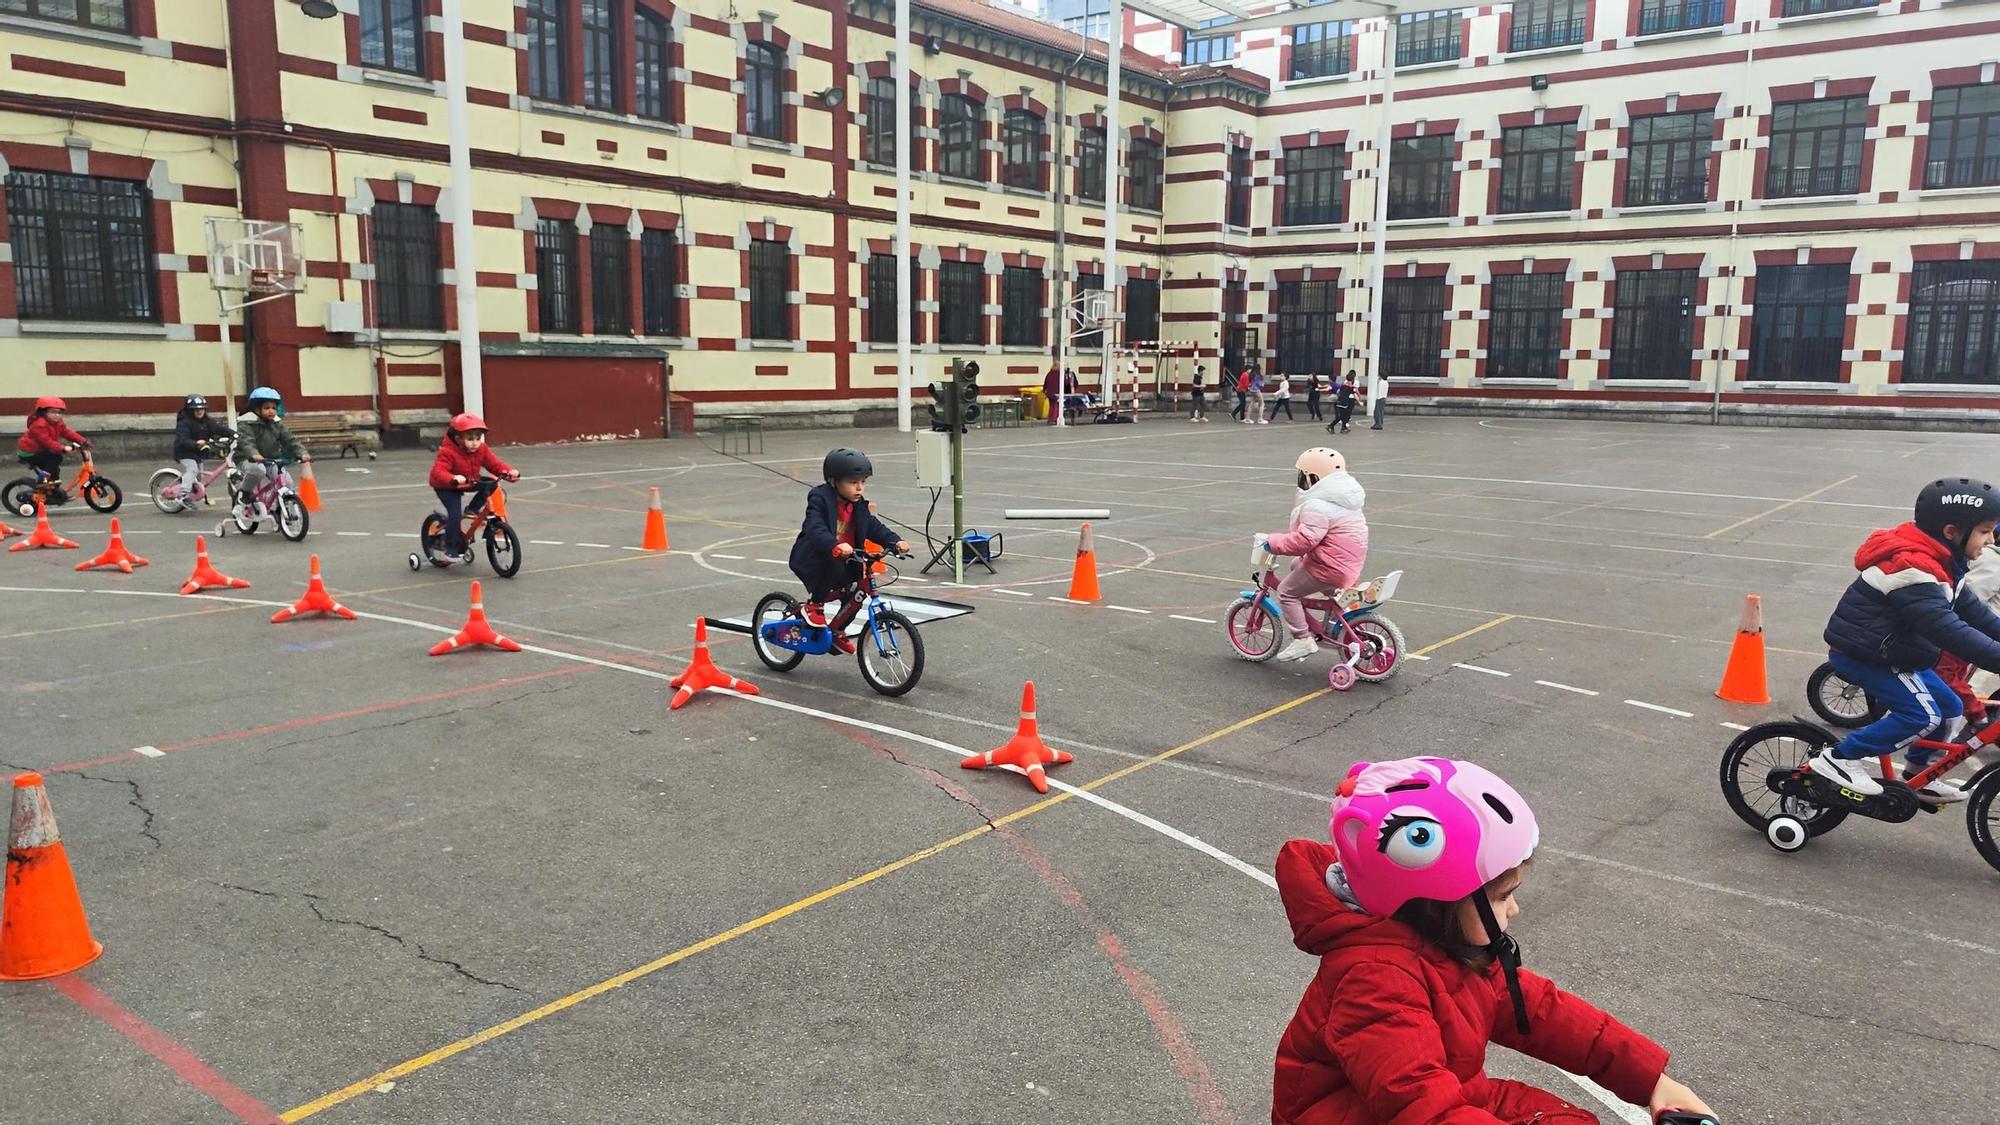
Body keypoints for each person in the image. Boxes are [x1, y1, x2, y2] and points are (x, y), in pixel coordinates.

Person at [1273, 756, 1713, 1125]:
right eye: (1504, 897)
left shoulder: (1446, 947)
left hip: (1442, 1101)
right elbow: (1420, 1107)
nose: (1514, 911)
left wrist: (1652, 1080)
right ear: (1435, 902)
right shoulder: (1375, 982)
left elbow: (1542, 1013)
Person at [1814, 478, 2000, 803]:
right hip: (1867, 654)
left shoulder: (1946, 564)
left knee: (1949, 708)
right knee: (1921, 716)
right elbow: (1946, 628)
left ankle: (1917, 773)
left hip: (1896, 652)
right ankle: (1840, 758)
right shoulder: (1912, 566)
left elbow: (1977, 616)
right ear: (1952, 532)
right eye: (1985, 531)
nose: (1991, 539)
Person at [789, 448, 909, 655]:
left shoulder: (858, 505)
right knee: (835, 564)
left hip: (846, 560)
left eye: (863, 482)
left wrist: (895, 542)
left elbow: (873, 526)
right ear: (834, 481)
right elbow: (814, 527)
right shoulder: (820, 498)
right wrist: (833, 545)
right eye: (853, 482)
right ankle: (814, 605)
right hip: (815, 559)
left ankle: (836, 632)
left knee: (857, 592)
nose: (859, 488)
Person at [1258, 448, 1369, 663]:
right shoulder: (1344, 500)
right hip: (1347, 563)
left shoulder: (1317, 506)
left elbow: (1303, 542)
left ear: (1313, 478)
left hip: (1329, 567)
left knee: (1286, 592)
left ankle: (1303, 639)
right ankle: (1334, 617)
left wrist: (1272, 542)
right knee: (1296, 566)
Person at [427, 413, 520, 563]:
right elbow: (439, 471)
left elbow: (494, 464)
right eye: (470, 439)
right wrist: (452, 478)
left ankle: (472, 509)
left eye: (478, 438)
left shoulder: (481, 450)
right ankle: (450, 549)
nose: (475, 443)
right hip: (447, 486)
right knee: (455, 514)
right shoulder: (447, 452)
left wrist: (508, 471)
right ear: (458, 438)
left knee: (492, 482)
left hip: (469, 481)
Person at [230, 387, 309, 520]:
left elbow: (290, 439)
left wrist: (301, 452)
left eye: (274, 407)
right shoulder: (247, 423)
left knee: (287, 483)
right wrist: (254, 454)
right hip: (247, 458)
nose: (271, 411)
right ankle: (244, 493)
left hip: (270, 459)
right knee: (258, 470)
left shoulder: (277, 424)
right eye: (267, 408)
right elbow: (247, 441)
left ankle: (281, 510)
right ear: (256, 409)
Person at [16, 395, 89, 500]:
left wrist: (82, 441)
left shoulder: (58, 423)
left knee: (54, 467)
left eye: (59, 412)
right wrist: (63, 448)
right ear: (43, 412)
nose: (57, 415)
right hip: (28, 452)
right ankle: (44, 482)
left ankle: (53, 490)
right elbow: (47, 441)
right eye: (53, 412)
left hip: (40, 450)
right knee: (54, 457)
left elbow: (68, 432)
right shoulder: (39, 425)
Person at [172, 394, 232, 504]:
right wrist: (195, 444)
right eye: (196, 409)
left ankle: (194, 492)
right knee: (193, 470)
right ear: (190, 411)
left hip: (198, 452)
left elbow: (219, 429)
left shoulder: (207, 421)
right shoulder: (184, 423)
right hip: (184, 452)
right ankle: (182, 495)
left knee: (198, 477)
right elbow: (182, 439)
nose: (200, 412)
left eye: (202, 409)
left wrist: (234, 434)